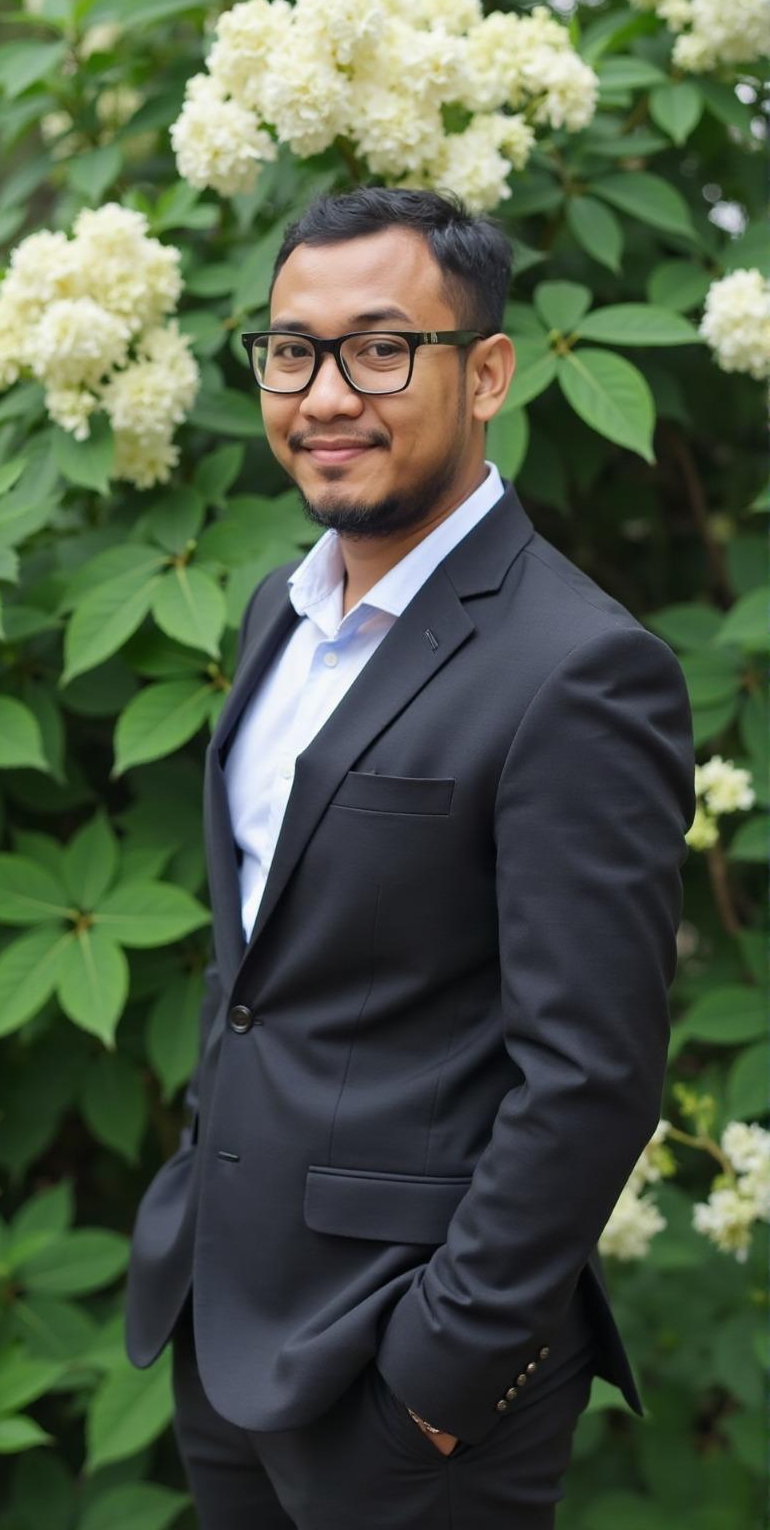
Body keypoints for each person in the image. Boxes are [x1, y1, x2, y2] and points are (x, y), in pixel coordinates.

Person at [124, 186, 696, 1529]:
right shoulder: (276, 610)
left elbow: (593, 1076)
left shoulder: (581, 670)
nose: (326, 395)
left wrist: (440, 1375)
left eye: (382, 350)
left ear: (487, 373)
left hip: (414, 1385)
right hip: (224, 1322)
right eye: (292, 351)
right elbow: (265, 969)